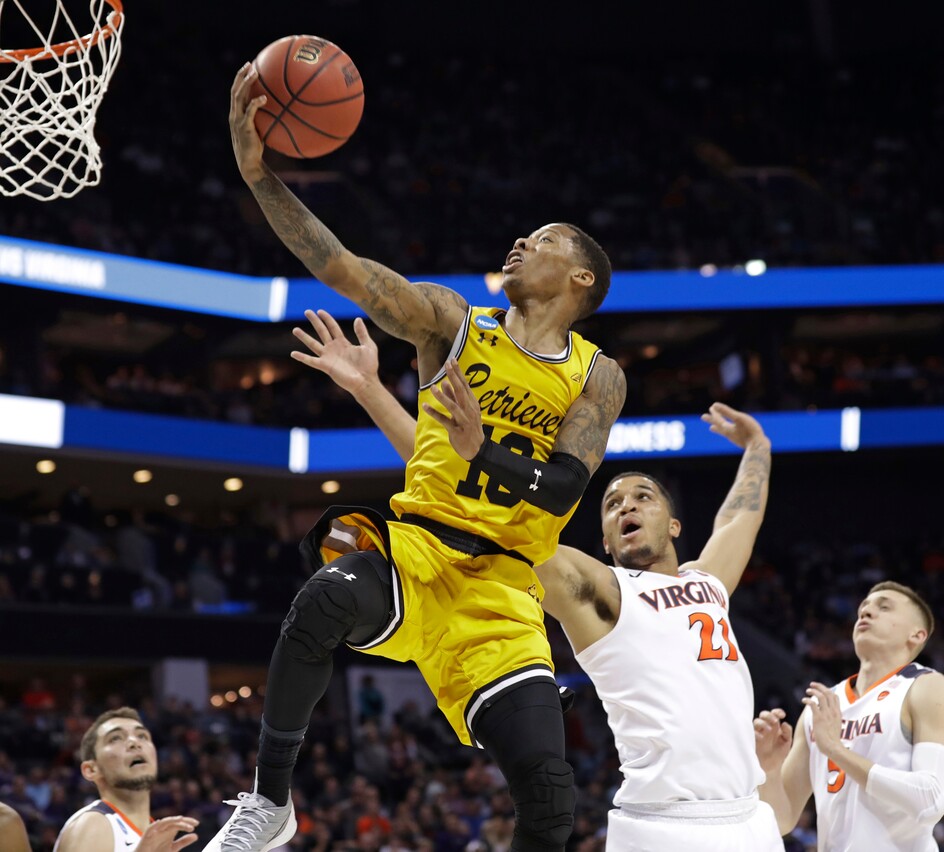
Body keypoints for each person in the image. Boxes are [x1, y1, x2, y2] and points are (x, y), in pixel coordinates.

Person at [210, 64, 627, 852]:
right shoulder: (451, 321)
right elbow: (342, 268)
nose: (520, 241)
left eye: (541, 239)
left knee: (549, 798)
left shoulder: (596, 376)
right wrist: (260, 177)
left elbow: (565, 485)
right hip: (418, 554)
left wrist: (483, 453)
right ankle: (270, 802)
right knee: (322, 600)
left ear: (580, 277)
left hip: (502, 592)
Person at [291, 315, 782, 850]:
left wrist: (758, 447)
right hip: (666, 824)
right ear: (606, 542)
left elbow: (739, 517)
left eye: (643, 496)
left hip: (750, 815)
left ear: (675, 524)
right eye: (612, 504)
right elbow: (456, 483)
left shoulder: (708, 583)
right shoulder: (599, 590)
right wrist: (369, 389)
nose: (626, 506)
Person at [753, 582, 944, 851]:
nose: (866, 612)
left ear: (916, 635)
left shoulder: (926, 686)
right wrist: (769, 768)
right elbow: (781, 821)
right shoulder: (823, 704)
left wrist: (836, 750)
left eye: (884, 607)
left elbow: (931, 800)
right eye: (864, 607)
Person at [55, 706, 199, 851]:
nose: (134, 743)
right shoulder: (94, 824)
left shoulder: (155, 838)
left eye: (142, 736)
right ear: (91, 769)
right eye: (116, 738)